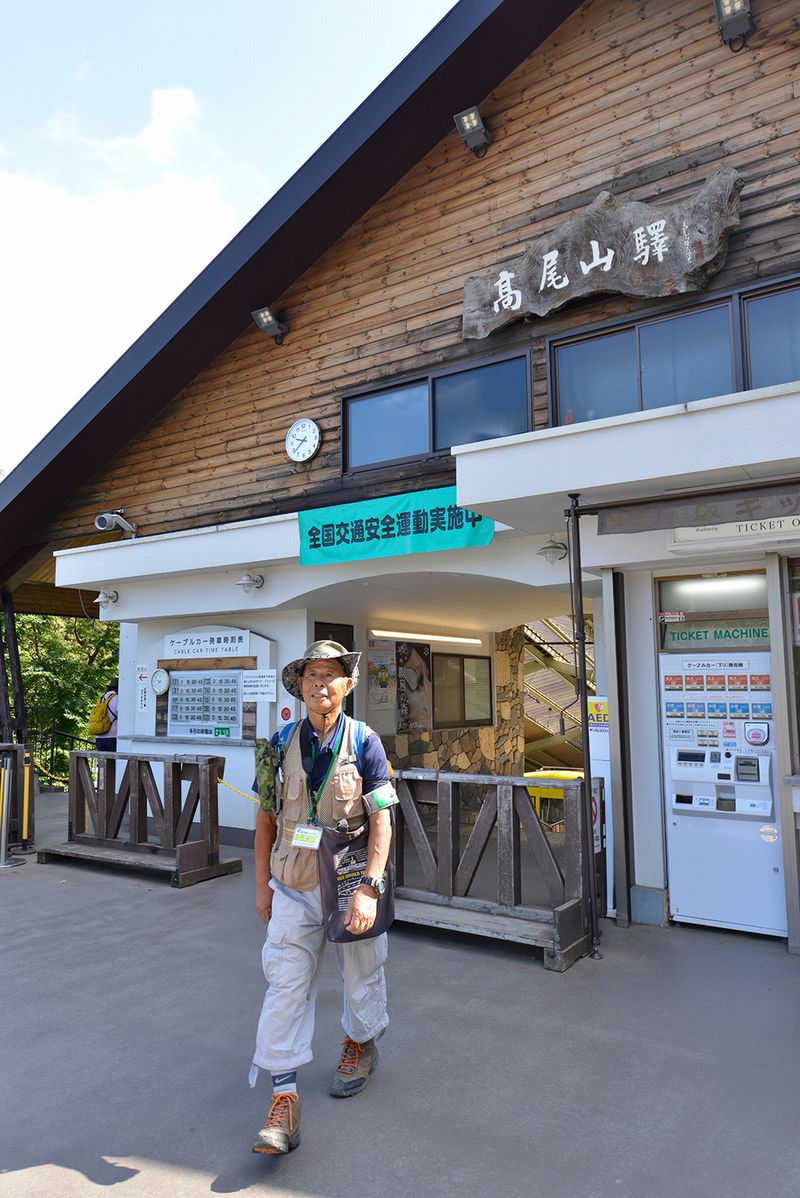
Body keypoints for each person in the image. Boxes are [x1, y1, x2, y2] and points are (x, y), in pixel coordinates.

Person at [250, 640, 397, 1156]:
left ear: (348, 685)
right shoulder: (279, 742)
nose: (320, 684)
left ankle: (361, 1041)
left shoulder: (366, 742)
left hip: (350, 881)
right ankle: (283, 1100)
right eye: (312, 675)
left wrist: (372, 889)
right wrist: (261, 886)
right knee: (284, 981)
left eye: (331, 674)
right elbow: (266, 817)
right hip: (292, 881)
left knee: (361, 971)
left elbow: (382, 818)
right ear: (300, 685)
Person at [94, 678, 118, 751]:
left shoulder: (101, 699)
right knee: (114, 761)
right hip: (112, 736)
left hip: (99, 736)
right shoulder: (118, 698)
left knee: (102, 761)